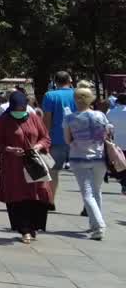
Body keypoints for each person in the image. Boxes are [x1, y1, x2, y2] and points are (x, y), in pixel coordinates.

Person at [0, 90, 54, 243]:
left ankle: (33, 227)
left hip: (34, 164)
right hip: (13, 166)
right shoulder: (3, 121)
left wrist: (38, 146)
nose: (19, 112)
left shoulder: (34, 118)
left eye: (22, 109)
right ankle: (24, 229)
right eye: (16, 109)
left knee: (38, 194)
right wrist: (10, 149)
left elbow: (45, 137)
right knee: (18, 196)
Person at [65, 84, 113, 239]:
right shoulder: (100, 115)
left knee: (87, 194)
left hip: (79, 158)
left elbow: (68, 140)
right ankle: (94, 224)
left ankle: (99, 226)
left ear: (76, 100)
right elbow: (107, 135)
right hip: (99, 158)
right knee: (96, 191)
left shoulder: (70, 118)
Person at [42, 71, 77, 211]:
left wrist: (45, 137)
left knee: (53, 171)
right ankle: (88, 204)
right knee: (84, 173)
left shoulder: (50, 96)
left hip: (56, 139)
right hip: (77, 139)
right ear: (70, 80)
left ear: (55, 81)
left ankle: (50, 201)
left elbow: (47, 120)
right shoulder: (77, 94)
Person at [108, 92, 126, 194]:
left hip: (117, 143)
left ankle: (123, 182)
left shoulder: (110, 112)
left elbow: (107, 129)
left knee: (119, 165)